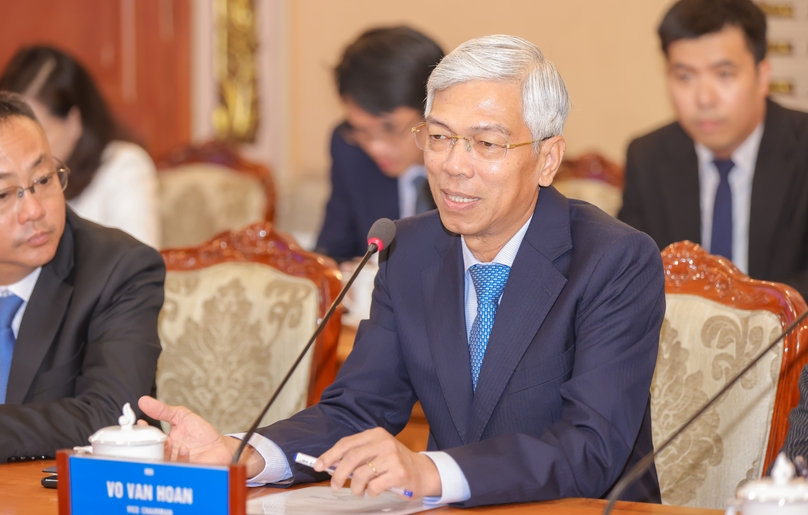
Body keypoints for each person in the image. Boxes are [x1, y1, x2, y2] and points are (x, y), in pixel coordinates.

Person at [140, 35, 664, 506]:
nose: (454, 164)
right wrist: (246, 453)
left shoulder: (613, 260)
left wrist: (429, 470)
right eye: (439, 137)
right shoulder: (408, 248)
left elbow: (590, 449)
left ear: (548, 159)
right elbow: (357, 408)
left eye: (487, 144)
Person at [0, 92, 164, 461]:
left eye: (43, 179)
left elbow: (111, 413)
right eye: (4, 194)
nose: (34, 210)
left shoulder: (119, 269)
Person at [618, 0, 808, 296]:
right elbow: (631, 276)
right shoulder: (648, 157)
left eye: (724, 74)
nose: (704, 99)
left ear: (762, 76)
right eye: (685, 77)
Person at [0, 46, 161, 248]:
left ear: (75, 121)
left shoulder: (124, 168)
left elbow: (137, 265)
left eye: (42, 133)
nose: (25, 148)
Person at [315, 26, 443, 262]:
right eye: (362, 130)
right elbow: (333, 250)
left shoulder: (468, 160)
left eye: (390, 128)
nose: (376, 148)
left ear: (433, 110)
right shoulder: (349, 149)